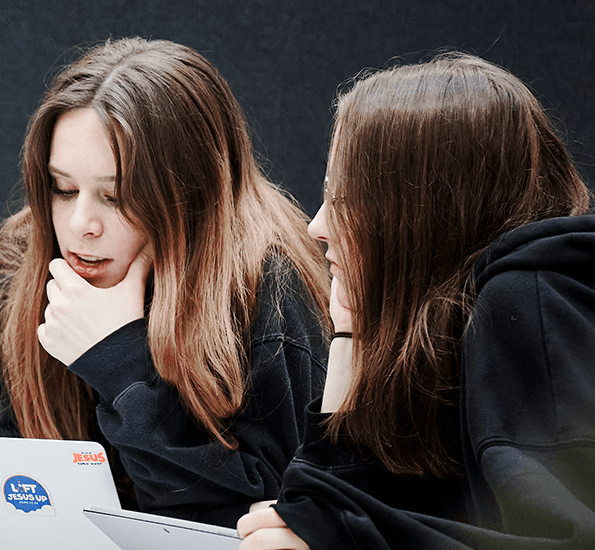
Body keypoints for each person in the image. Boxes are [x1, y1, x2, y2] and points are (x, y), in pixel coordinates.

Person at [0, 37, 330, 527]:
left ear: (191, 197)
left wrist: (121, 366)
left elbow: (257, 523)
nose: (80, 225)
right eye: (63, 189)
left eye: (115, 197)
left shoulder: (268, 288)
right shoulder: (17, 269)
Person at [237, 54, 595, 549]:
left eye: (345, 198)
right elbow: (316, 505)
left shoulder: (526, 302)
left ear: (422, 213)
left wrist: (343, 537)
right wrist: (348, 336)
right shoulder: (445, 328)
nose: (317, 226)